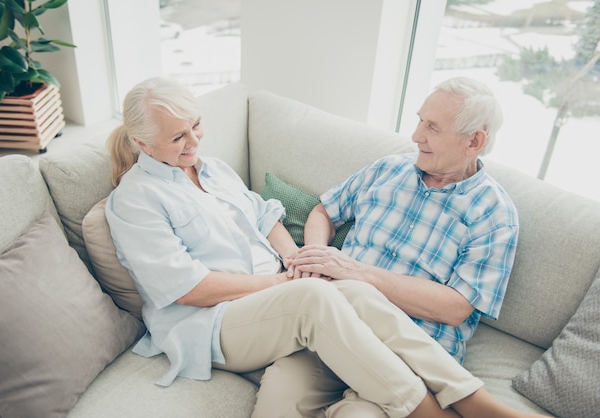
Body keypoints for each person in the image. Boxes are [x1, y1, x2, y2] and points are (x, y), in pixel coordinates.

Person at [104, 76, 545, 418]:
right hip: (214, 319)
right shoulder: (136, 198)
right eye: (178, 137)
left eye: (196, 126)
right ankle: (438, 408)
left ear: (475, 140)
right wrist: (288, 280)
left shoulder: (213, 169)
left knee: (345, 296)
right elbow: (187, 288)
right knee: (326, 293)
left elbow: (265, 217)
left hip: (311, 310)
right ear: (142, 143)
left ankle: (469, 397)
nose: (195, 143)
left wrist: (300, 262)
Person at [254, 76, 525, 417]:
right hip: (333, 326)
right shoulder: (388, 169)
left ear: (474, 141)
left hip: (409, 354)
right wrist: (317, 255)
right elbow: (325, 211)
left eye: (432, 127)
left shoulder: (494, 213)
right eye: (419, 120)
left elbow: (456, 308)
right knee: (279, 393)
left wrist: (356, 272)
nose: (416, 136)